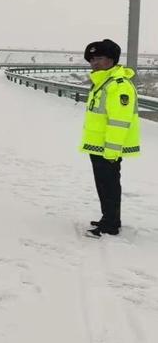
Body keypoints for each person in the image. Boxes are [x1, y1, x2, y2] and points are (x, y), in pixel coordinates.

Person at [80, 39, 141, 237]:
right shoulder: (103, 82)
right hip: (98, 146)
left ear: (111, 60)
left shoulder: (118, 85)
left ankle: (111, 224)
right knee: (104, 184)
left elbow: (119, 122)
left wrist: (112, 150)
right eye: (92, 59)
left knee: (110, 184)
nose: (94, 63)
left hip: (108, 148)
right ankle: (110, 217)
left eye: (99, 58)